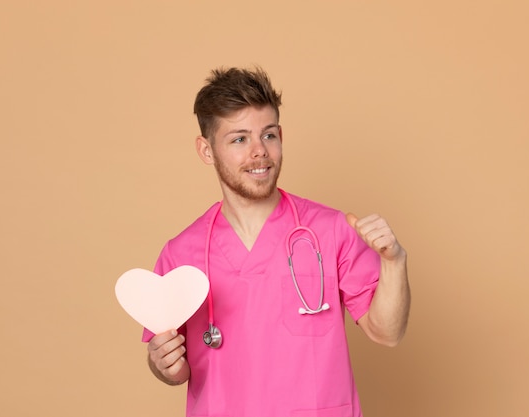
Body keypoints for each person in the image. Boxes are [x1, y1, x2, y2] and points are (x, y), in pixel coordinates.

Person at [143, 66, 411, 417]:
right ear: (206, 150)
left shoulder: (330, 229)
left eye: (268, 135)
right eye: (239, 139)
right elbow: (174, 368)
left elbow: (387, 332)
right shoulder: (181, 253)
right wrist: (162, 364)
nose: (260, 152)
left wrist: (394, 262)